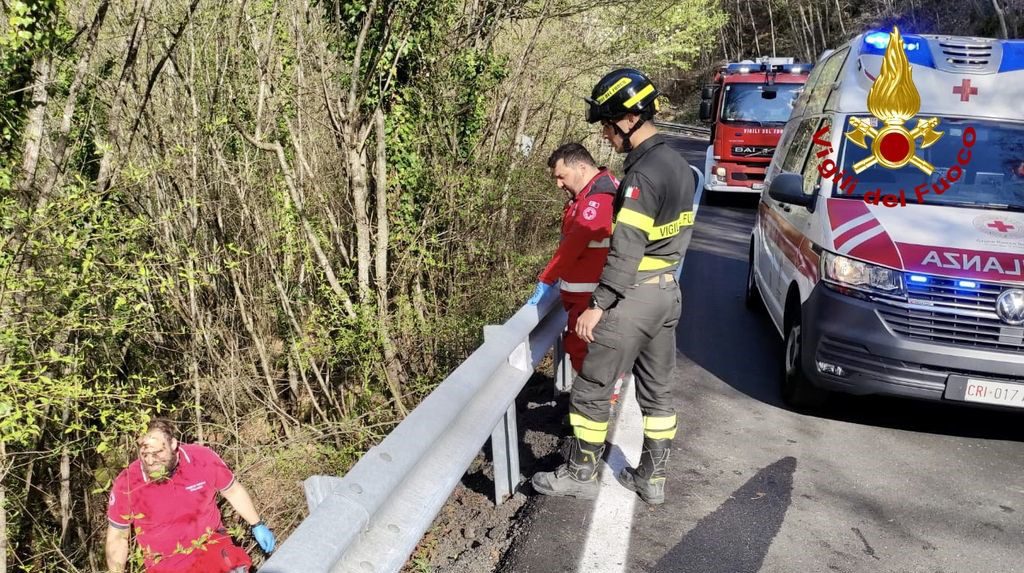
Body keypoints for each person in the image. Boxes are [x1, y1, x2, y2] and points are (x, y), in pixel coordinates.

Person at [531, 68, 695, 505]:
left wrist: (597, 306)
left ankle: (580, 476)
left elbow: (625, 251)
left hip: (635, 296)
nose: (605, 135)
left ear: (627, 118)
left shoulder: (642, 177)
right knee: (657, 393)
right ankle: (652, 480)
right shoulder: (680, 166)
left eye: (607, 124)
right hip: (668, 293)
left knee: (591, 388)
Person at [105, 419, 276, 572]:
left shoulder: (201, 459)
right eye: (145, 455)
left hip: (214, 551)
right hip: (166, 565)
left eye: (157, 453)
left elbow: (232, 491)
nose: (150, 461)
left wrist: (256, 524)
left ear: (173, 444)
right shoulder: (127, 484)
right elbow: (118, 537)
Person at [527, 143, 617, 378]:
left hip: (591, 299)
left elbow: (574, 243)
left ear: (582, 167)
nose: (558, 184)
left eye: (561, 176)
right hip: (587, 297)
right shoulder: (590, 195)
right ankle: (596, 402)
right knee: (587, 355)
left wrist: (547, 279)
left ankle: (596, 406)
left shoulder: (598, 201)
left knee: (588, 357)